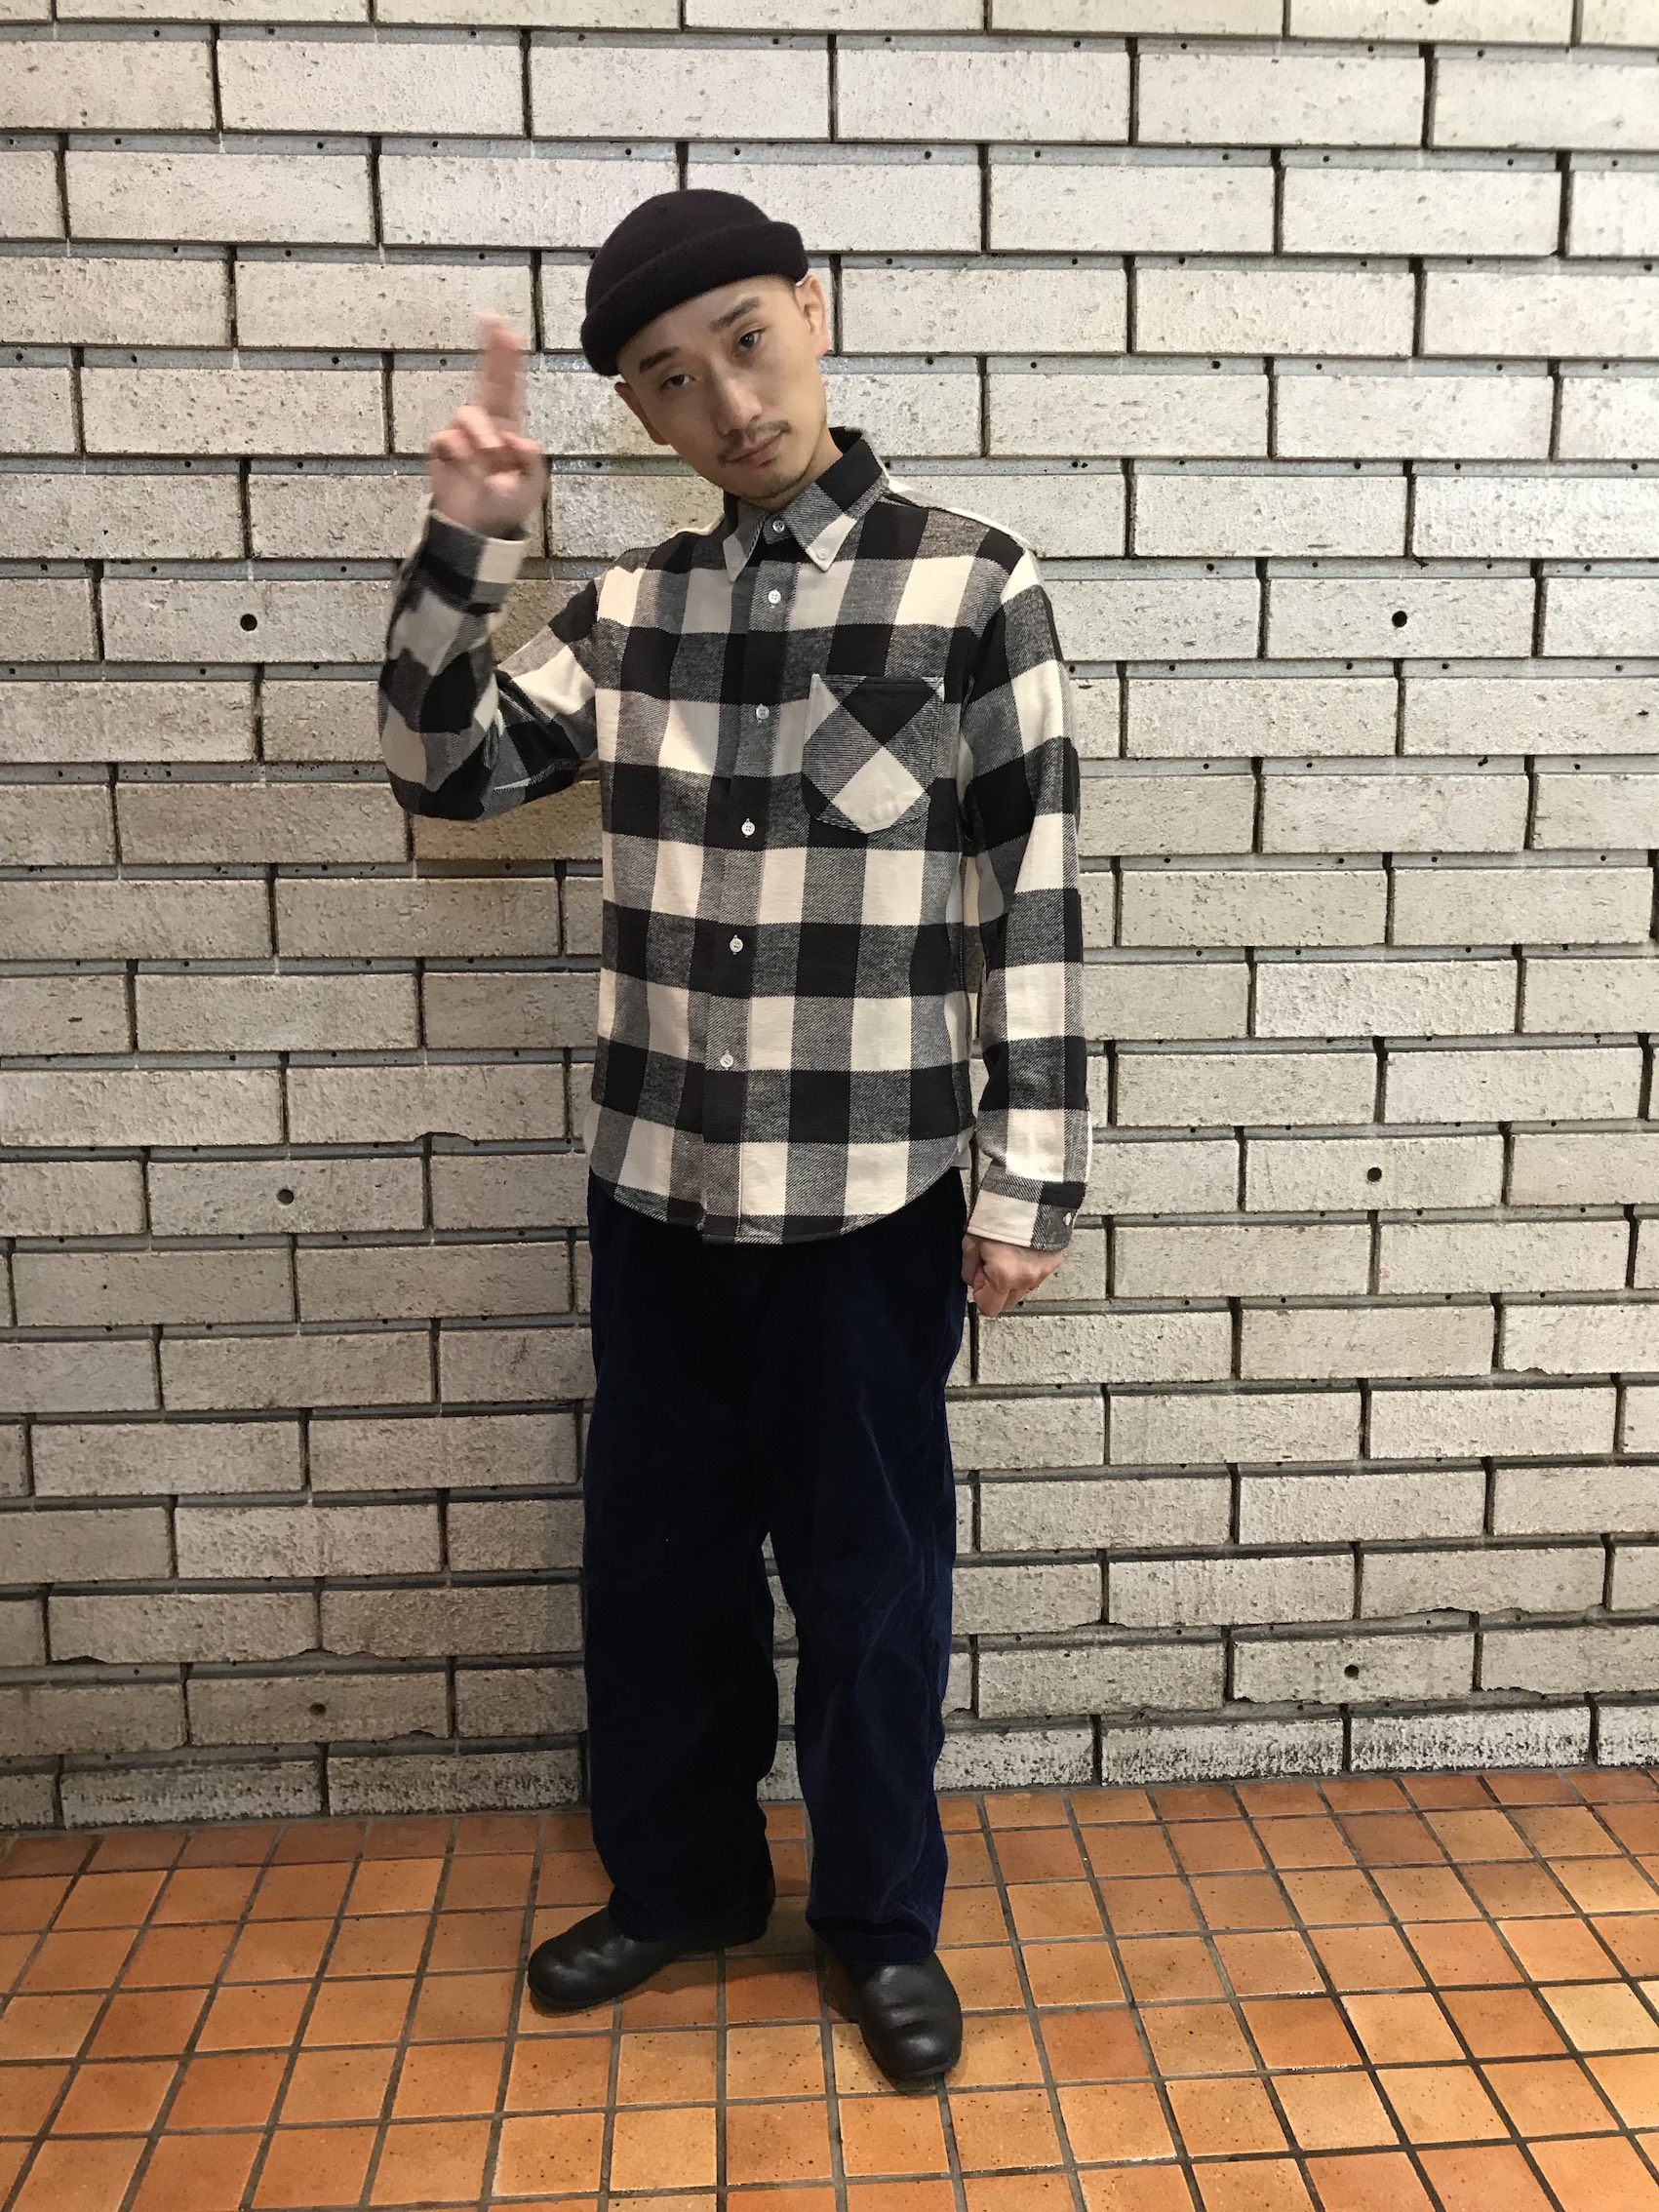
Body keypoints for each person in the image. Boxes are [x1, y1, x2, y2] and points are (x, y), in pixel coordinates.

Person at [376, 188, 1091, 2091]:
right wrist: (470, 541)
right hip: (659, 1192)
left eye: (748, 345)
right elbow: (442, 770)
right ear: (637, 410)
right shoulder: (630, 610)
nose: (730, 403)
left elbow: (1027, 899)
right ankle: (682, 1886)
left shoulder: (969, 587)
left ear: (812, 311)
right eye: (670, 382)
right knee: (656, 1568)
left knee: (873, 1585)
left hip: (873, 1202)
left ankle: (877, 1925)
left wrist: (1026, 1182)